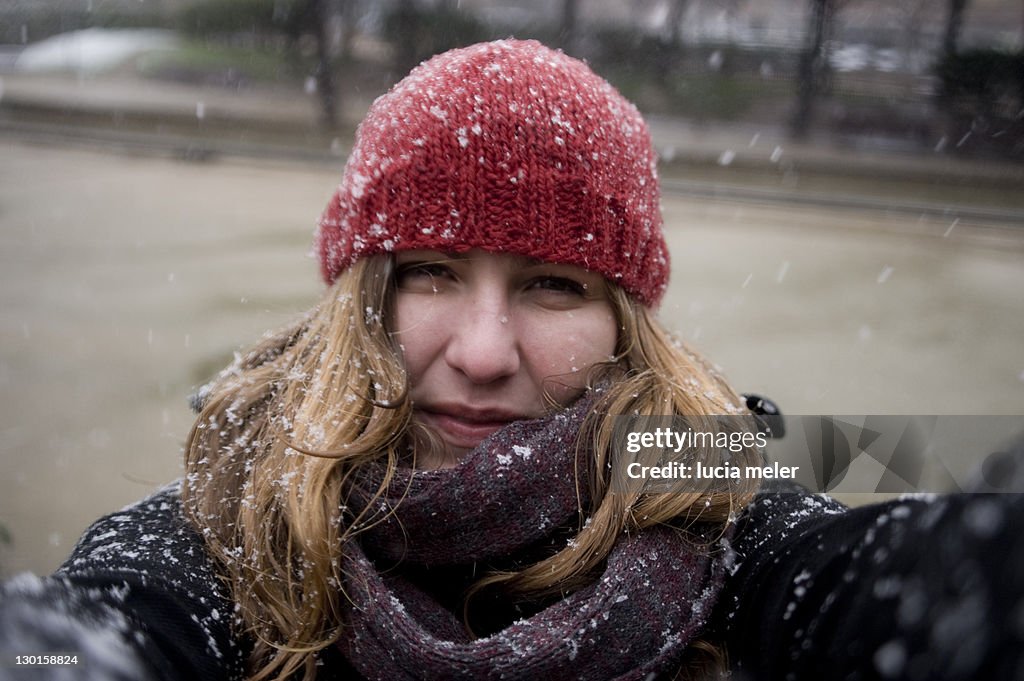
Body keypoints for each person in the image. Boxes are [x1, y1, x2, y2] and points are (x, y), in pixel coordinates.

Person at [1, 39, 1023, 681]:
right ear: (364, 296)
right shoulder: (242, 499)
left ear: (624, 322)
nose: (483, 356)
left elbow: (893, 581)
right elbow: (106, 630)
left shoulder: (695, 475)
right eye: (431, 274)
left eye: (552, 285)